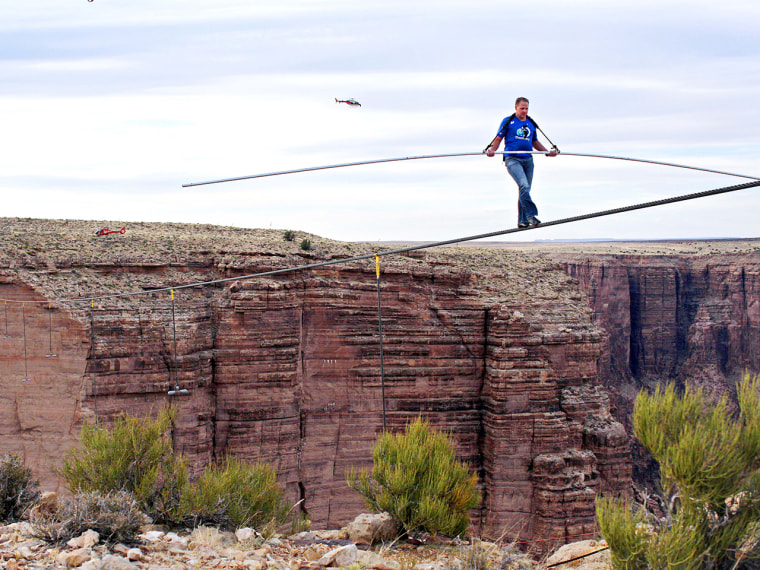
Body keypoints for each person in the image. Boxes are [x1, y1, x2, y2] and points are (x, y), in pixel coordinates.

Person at [486, 97, 557, 228]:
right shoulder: (508, 121)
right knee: (524, 185)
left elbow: (534, 142)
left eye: (526, 108)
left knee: (525, 190)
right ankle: (531, 215)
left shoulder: (530, 123)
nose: (524, 111)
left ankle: (522, 221)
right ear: (516, 108)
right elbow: (498, 139)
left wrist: (547, 152)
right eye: (522, 108)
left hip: (528, 160)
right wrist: (492, 150)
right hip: (512, 158)